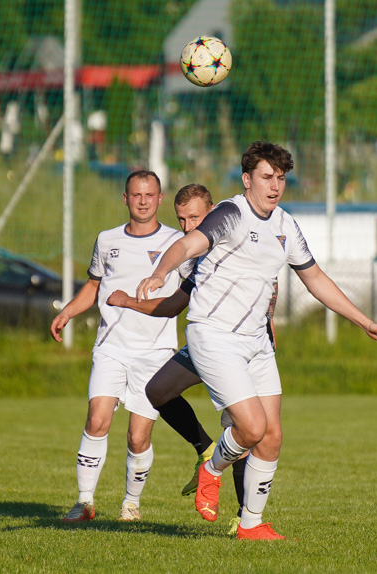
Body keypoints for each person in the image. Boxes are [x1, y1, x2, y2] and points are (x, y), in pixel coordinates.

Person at [137, 141, 377, 540]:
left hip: (255, 340)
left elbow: (315, 278)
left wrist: (364, 321)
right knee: (252, 427)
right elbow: (189, 244)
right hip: (214, 334)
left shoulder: (285, 225)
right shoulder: (231, 213)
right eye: (266, 177)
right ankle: (211, 470)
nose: (275, 185)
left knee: (272, 435)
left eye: (280, 178)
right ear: (247, 180)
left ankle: (250, 525)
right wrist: (160, 272)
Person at [106, 182, 279, 536]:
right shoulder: (196, 256)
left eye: (195, 218)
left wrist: (266, 331)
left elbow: (266, 291)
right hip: (208, 344)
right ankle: (205, 449)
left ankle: (244, 517)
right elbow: (173, 305)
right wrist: (128, 302)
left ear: (214, 212)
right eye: (181, 219)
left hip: (240, 346)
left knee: (246, 431)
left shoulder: (238, 239)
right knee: (157, 391)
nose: (187, 227)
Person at [51, 170, 191, 523]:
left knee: (138, 436)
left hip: (155, 354)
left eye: (149, 195)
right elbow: (94, 285)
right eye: (136, 194)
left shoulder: (179, 242)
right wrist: (68, 311)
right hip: (111, 347)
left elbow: (192, 289)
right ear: (125, 198)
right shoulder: (107, 240)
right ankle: (84, 503)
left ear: (160, 199)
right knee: (97, 419)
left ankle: (131, 503)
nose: (142, 200)